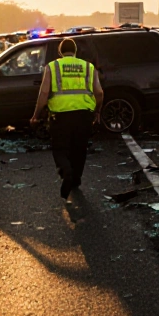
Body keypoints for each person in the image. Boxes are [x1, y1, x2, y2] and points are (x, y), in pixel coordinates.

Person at [30, 38, 103, 200]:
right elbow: (99, 93)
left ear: (60, 52)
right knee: (80, 148)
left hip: (60, 116)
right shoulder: (88, 67)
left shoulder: (53, 67)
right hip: (84, 115)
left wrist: (36, 115)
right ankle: (76, 179)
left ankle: (66, 172)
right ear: (75, 51)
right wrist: (97, 111)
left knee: (60, 148)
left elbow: (43, 93)